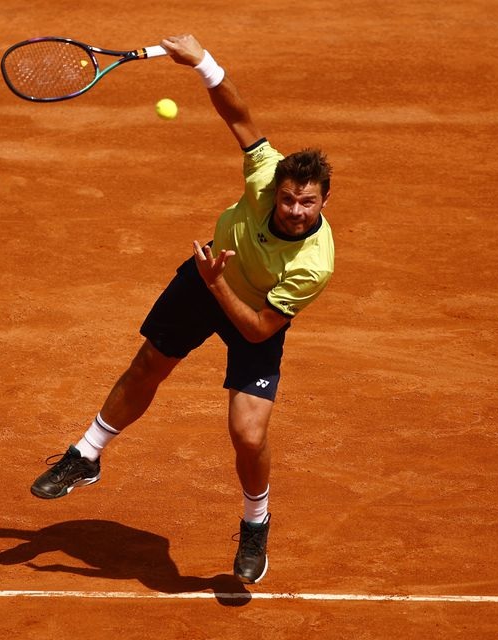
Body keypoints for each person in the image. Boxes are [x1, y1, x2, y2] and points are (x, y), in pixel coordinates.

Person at [30, 34, 335, 585]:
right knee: (148, 364)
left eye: (306, 202)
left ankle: (255, 521)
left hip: (242, 302)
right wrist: (204, 62)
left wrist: (217, 286)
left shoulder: (315, 263)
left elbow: (260, 327)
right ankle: (87, 455)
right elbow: (239, 116)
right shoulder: (264, 178)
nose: (293, 209)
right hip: (207, 279)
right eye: (288, 198)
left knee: (247, 434)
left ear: (323, 202)